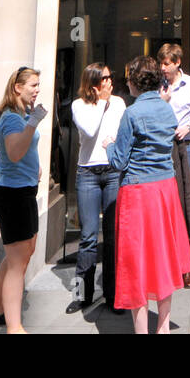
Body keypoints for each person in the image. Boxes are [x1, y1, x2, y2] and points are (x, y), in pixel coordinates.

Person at [104, 56, 190, 334]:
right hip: (165, 189)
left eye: (129, 77)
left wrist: (108, 145)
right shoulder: (168, 111)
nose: (126, 82)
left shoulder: (131, 113)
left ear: (135, 82)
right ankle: (163, 327)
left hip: (138, 191)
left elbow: (118, 161)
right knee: (164, 258)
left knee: (135, 264)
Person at [0, 67, 47, 334]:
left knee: (23, 254)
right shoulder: (12, 118)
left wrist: (36, 168)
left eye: (38, 84)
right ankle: (14, 326)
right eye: (33, 84)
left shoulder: (23, 115)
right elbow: (15, 152)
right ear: (17, 88)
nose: (37, 89)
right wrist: (33, 123)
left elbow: (24, 152)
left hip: (25, 192)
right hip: (13, 196)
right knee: (18, 264)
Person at [67, 62, 125, 314]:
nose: (110, 82)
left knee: (112, 237)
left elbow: (124, 135)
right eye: (105, 78)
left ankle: (115, 295)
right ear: (93, 83)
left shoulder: (120, 103)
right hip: (88, 173)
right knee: (88, 237)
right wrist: (102, 102)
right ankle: (82, 295)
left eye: (111, 78)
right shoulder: (79, 105)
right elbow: (90, 131)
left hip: (113, 173)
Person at [158, 42, 190, 274]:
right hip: (160, 150)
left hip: (185, 147)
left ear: (177, 63)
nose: (163, 68)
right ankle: (167, 262)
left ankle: (188, 265)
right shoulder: (159, 87)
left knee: (185, 203)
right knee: (165, 206)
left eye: (166, 63)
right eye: (161, 63)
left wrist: (188, 127)